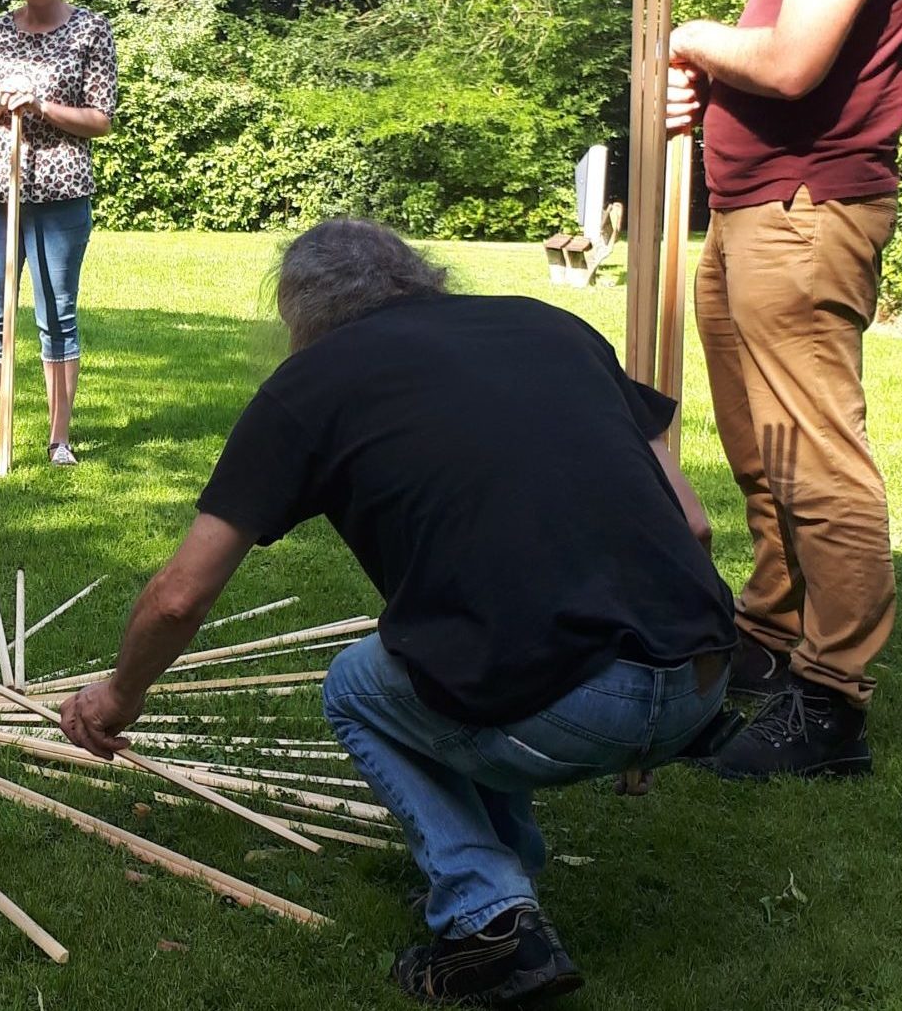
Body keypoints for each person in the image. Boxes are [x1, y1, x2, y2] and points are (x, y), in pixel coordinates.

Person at [59, 220, 736, 1007]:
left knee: (360, 683)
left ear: (297, 314)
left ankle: (492, 925)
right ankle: (507, 859)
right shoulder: (555, 326)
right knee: (453, 647)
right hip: (699, 678)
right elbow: (692, 524)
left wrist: (119, 694)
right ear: (422, 275)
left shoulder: (311, 385)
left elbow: (180, 596)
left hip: (576, 707)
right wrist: (658, 679)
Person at [667, 0, 902, 779]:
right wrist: (710, 89)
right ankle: (771, 638)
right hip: (756, 207)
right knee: (763, 451)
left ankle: (830, 705)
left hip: (805, 209)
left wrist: (695, 37)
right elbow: (772, 65)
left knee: (817, 457)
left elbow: (789, 63)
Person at [0, 0, 117, 469]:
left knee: (58, 314)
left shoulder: (92, 31)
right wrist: (3, 105)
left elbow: (100, 120)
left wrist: (42, 107)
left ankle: (59, 440)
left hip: (62, 194)